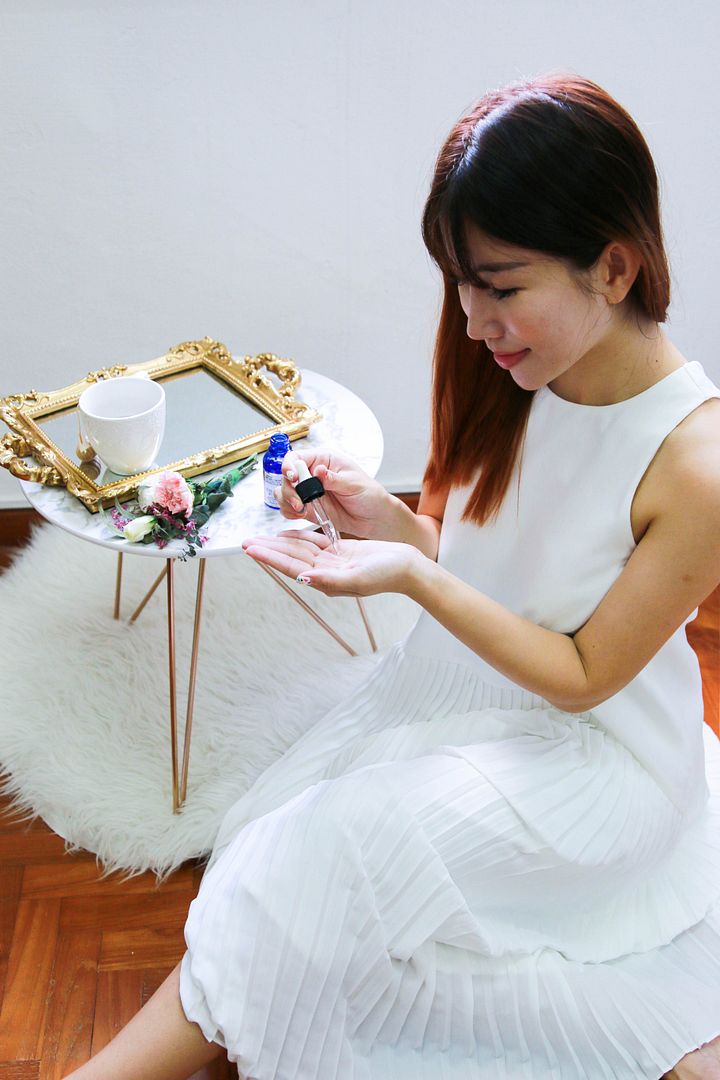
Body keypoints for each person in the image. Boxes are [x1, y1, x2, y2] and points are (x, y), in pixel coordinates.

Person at [66, 74, 720, 1080]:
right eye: (460, 284)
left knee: (323, 863)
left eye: (500, 286)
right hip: (477, 695)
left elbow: (586, 674)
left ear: (615, 267)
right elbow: (505, 564)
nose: (473, 320)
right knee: (288, 843)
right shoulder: (528, 371)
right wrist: (396, 526)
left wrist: (414, 579)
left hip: (603, 768)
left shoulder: (695, 466)